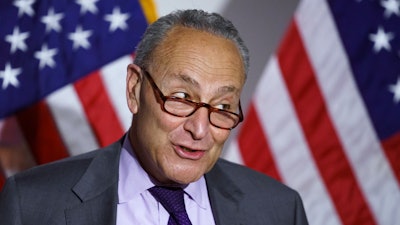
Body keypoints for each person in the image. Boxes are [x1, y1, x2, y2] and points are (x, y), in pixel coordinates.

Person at [0, 9, 308, 225]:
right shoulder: (33, 204)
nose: (200, 129)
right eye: (182, 98)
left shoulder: (278, 209)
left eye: (223, 107)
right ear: (135, 89)